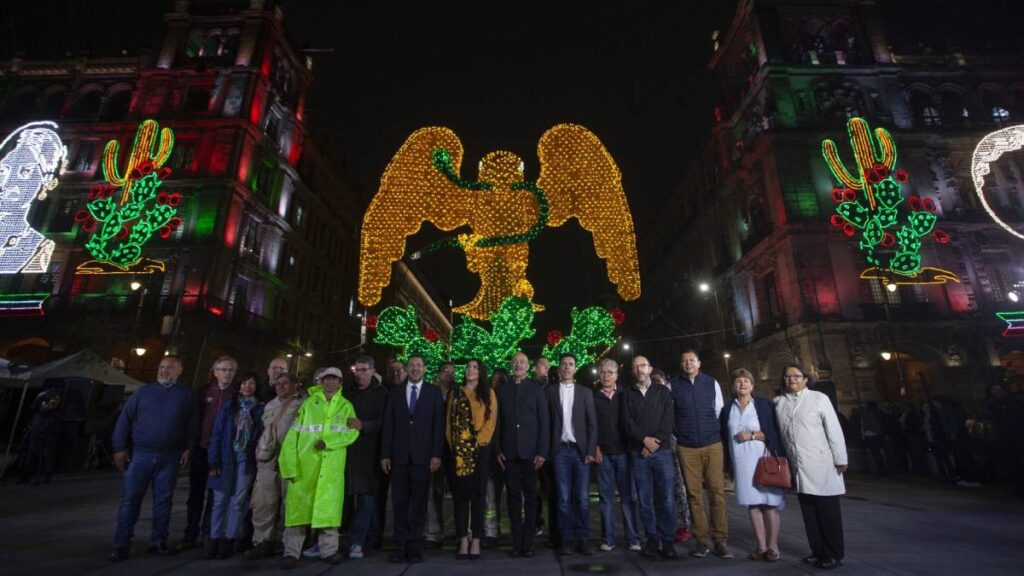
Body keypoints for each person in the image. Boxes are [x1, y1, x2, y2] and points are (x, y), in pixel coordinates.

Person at [109, 357, 197, 561]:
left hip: (170, 456)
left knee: (163, 502)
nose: (164, 371)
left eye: (169, 368)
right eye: (162, 367)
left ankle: (157, 541)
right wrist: (119, 447)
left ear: (179, 371)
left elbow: (192, 424)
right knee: (130, 501)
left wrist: (188, 448)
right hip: (141, 454)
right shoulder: (143, 393)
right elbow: (124, 420)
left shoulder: (186, 395)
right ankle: (122, 543)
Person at [278, 367, 359, 569]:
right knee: (297, 513)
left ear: (340, 383)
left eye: (334, 379)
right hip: (305, 467)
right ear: (321, 382)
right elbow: (292, 437)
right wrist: (289, 467)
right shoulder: (308, 405)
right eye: (327, 379)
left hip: (331, 468)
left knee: (328, 512)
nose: (330, 383)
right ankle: (291, 552)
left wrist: (328, 442)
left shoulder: (346, 406)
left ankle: (329, 550)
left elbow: (352, 433)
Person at [774, 364, 847, 570]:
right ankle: (817, 551)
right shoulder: (779, 402)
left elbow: (833, 429)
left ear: (806, 379)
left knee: (828, 511)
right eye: (787, 376)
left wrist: (840, 457)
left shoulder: (818, 399)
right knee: (809, 513)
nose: (792, 379)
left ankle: (834, 553)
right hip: (798, 464)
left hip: (821, 462)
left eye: (797, 376)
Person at [380, 355, 445, 563]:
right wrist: (385, 454)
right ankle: (400, 546)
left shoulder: (434, 393)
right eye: (412, 365)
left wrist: (436, 454)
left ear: (425, 369)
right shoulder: (395, 393)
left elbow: (438, 426)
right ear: (407, 369)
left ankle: (415, 547)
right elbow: (388, 425)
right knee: (399, 504)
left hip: (423, 458)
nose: (415, 369)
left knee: (419, 505)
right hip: (398, 458)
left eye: (419, 366)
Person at [669, 349, 730, 559]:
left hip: (712, 444)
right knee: (694, 496)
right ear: (681, 365)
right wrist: (679, 436)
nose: (688, 363)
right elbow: (671, 414)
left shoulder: (711, 383)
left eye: (692, 360)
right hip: (686, 447)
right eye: (684, 361)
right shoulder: (673, 386)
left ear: (699, 363)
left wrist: (711, 432)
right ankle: (701, 542)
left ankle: (720, 540)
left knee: (717, 493)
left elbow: (718, 411)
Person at [721, 368, 786, 562]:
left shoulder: (763, 405)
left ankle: (773, 547)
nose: (742, 383)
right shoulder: (727, 409)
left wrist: (752, 435)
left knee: (769, 504)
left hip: (763, 461)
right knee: (753, 505)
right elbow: (725, 438)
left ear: (752, 384)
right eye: (738, 381)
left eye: (746, 380)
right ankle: (761, 546)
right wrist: (728, 465)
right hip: (741, 463)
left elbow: (774, 433)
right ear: (733, 385)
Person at [496, 352, 550, 557]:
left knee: (531, 498)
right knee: (511, 498)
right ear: (511, 365)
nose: (518, 365)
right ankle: (516, 541)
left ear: (529, 367)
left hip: (531, 454)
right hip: (508, 453)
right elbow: (498, 423)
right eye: (515, 362)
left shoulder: (537, 390)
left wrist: (542, 452)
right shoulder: (502, 390)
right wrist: (498, 450)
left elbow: (544, 424)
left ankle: (528, 541)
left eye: (522, 362)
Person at [623, 356, 677, 559]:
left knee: (666, 499)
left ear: (650, 368)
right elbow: (626, 422)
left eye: (643, 365)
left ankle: (668, 541)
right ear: (632, 371)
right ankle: (652, 539)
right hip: (639, 454)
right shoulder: (627, 394)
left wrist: (654, 443)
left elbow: (668, 420)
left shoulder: (663, 392)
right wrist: (644, 440)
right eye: (635, 366)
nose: (639, 369)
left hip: (661, 453)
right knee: (645, 500)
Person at [206, 371, 265, 559]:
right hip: (226, 457)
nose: (248, 386)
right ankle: (214, 538)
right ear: (238, 386)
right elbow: (217, 433)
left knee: (239, 501)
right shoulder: (229, 407)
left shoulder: (260, 409)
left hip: (246, 459)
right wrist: (213, 459)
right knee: (219, 500)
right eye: (244, 383)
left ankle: (229, 539)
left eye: (252, 383)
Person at [245, 371, 302, 559]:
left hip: (292, 461)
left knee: (291, 506)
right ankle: (262, 541)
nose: (281, 387)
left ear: (295, 385)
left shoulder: (303, 404)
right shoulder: (270, 405)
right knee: (263, 503)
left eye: (286, 383)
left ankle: (290, 547)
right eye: (278, 384)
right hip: (268, 462)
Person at [183, 356, 237, 549]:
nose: (227, 373)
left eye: (230, 370)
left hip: (223, 454)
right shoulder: (203, 392)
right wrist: (190, 446)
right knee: (195, 495)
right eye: (223, 370)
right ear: (215, 372)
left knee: (216, 497)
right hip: (202, 449)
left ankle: (209, 534)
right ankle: (190, 534)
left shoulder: (236, 395)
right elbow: (193, 420)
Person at [446, 359, 498, 560]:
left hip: (479, 449)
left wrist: (477, 442)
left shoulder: (488, 393)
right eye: (468, 367)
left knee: (478, 495)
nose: (470, 370)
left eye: (475, 367)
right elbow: (448, 424)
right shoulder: (455, 393)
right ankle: (463, 539)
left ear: (481, 372)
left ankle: (476, 538)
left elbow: (490, 422)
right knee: (460, 497)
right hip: (459, 451)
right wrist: (456, 446)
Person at [547, 353, 597, 556]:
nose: (567, 367)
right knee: (563, 499)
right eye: (564, 364)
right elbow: (547, 422)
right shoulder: (550, 392)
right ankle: (567, 539)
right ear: (559, 369)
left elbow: (592, 424)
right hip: (559, 451)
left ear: (575, 369)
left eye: (571, 364)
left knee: (583, 498)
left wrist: (591, 450)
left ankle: (583, 539)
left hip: (580, 452)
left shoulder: (585, 392)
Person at [593, 358, 639, 552]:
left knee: (628, 498)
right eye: (602, 372)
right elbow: (591, 424)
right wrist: (594, 447)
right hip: (603, 454)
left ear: (616, 375)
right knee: (606, 499)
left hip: (624, 454)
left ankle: (633, 538)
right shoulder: (593, 397)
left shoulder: (625, 395)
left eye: (609, 372)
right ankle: (608, 538)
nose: (605, 376)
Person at [344, 356, 387, 560]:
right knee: (344, 500)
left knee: (366, 499)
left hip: (370, 453)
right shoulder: (346, 392)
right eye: (357, 370)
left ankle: (359, 541)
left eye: (363, 370)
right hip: (345, 452)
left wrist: (364, 426)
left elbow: (386, 421)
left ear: (372, 371)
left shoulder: (381, 394)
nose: (359, 374)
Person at [651, 368, 692, 543]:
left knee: (679, 489)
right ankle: (662, 525)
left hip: (675, 449)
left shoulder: (674, 399)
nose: (657, 385)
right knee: (659, 492)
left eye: (659, 382)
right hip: (657, 450)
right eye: (654, 383)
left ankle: (684, 525)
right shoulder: (650, 401)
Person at [425, 361, 456, 548]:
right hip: (436, 448)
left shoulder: (459, 392)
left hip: (454, 448)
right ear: (438, 373)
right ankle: (433, 532)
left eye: (452, 371)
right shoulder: (430, 392)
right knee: (433, 491)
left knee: (459, 491)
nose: (448, 374)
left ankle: (459, 531)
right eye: (445, 370)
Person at [482, 368, 510, 548]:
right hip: (492, 455)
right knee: (490, 496)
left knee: (515, 496)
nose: (497, 383)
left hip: (510, 454)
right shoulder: (488, 398)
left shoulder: (508, 398)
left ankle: (498, 530)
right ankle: (491, 531)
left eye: (501, 380)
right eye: (495, 380)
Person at [18, 389, 62, 485]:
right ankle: (27, 476)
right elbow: (34, 407)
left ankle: (45, 477)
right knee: (32, 456)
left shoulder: (54, 413)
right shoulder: (40, 406)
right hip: (37, 432)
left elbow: (53, 410)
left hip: (47, 435)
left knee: (46, 457)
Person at [860, 401, 887, 476]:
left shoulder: (868, 414)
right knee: (879, 453)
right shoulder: (878, 413)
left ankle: (881, 470)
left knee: (876, 453)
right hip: (876, 434)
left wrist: (865, 432)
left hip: (871, 434)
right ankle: (881, 469)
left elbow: (867, 425)